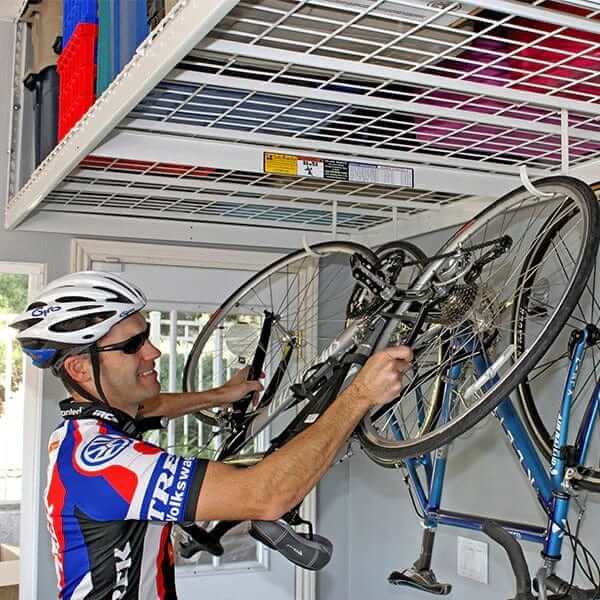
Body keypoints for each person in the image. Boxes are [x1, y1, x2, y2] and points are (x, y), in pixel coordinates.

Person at [11, 271, 412, 599]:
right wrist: (358, 395)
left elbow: (151, 406)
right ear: (81, 369)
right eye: (133, 345)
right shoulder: (99, 462)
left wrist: (221, 394)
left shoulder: (87, 429)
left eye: (147, 334)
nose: (153, 351)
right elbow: (266, 496)